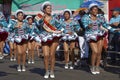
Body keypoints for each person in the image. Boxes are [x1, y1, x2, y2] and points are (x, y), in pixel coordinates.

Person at [82, 3, 120, 74]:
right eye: (94, 9)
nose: (96, 11)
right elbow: (85, 26)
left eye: (97, 9)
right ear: (90, 10)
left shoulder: (100, 17)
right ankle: (92, 66)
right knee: (95, 51)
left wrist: (113, 30)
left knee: (99, 52)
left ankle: (97, 66)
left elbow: (106, 25)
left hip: (99, 34)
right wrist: (88, 26)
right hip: (90, 35)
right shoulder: (85, 17)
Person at [35, 1, 63, 79]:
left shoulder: (54, 17)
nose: (50, 9)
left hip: (54, 37)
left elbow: (60, 26)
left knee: (52, 55)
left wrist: (59, 31)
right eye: (48, 8)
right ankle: (47, 71)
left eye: (50, 8)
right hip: (45, 38)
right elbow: (36, 27)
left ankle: (52, 70)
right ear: (44, 10)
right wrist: (42, 20)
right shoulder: (39, 17)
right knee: (46, 56)